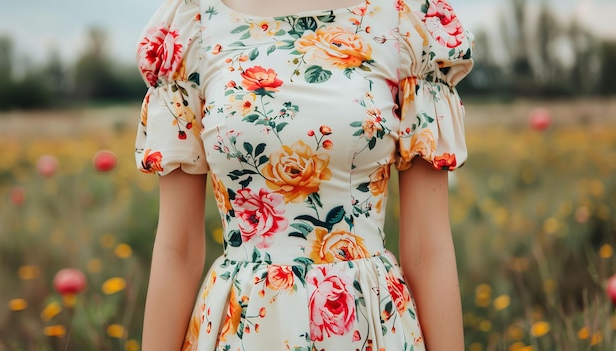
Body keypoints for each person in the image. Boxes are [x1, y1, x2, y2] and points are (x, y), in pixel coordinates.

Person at [134, 0, 474, 350]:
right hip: (244, 326)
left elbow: (427, 250)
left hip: (368, 322)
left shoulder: (406, 21)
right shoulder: (194, 25)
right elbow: (179, 249)